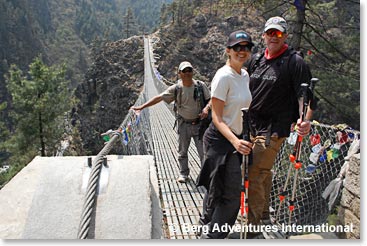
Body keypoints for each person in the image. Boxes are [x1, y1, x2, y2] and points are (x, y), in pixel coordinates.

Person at [246, 16, 314, 235]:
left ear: (285, 36)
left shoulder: (295, 62)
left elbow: (307, 97)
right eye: (269, 33)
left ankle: (252, 227)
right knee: (263, 171)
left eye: (278, 33)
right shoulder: (257, 60)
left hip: (274, 127)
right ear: (264, 35)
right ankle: (264, 214)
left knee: (255, 171)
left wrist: (306, 120)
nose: (273, 37)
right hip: (251, 125)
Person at [196, 30, 254, 239]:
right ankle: (212, 236)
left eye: (246, 47)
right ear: (228, 51)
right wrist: (236, 141)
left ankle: (205, 226)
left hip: (235, 139)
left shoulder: (244, 75)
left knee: (218, 188)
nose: (242, 51)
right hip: (221, 141)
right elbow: (217, 118)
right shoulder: (223, 76)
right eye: (237, 47)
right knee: (228, 195)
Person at [131, 61, 211, 183]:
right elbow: (159, 97)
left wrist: (206, 108)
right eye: (184, 71)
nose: (187, 73)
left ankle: (205, 176)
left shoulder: (200, 86)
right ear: (179, 73)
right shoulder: (176, 89)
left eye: (189, 70)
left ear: (192, 72)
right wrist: (141, 107)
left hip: (200, 125)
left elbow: (211, 100)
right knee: (182, 151)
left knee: (203, 152)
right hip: (183, 124)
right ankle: (184, 174)